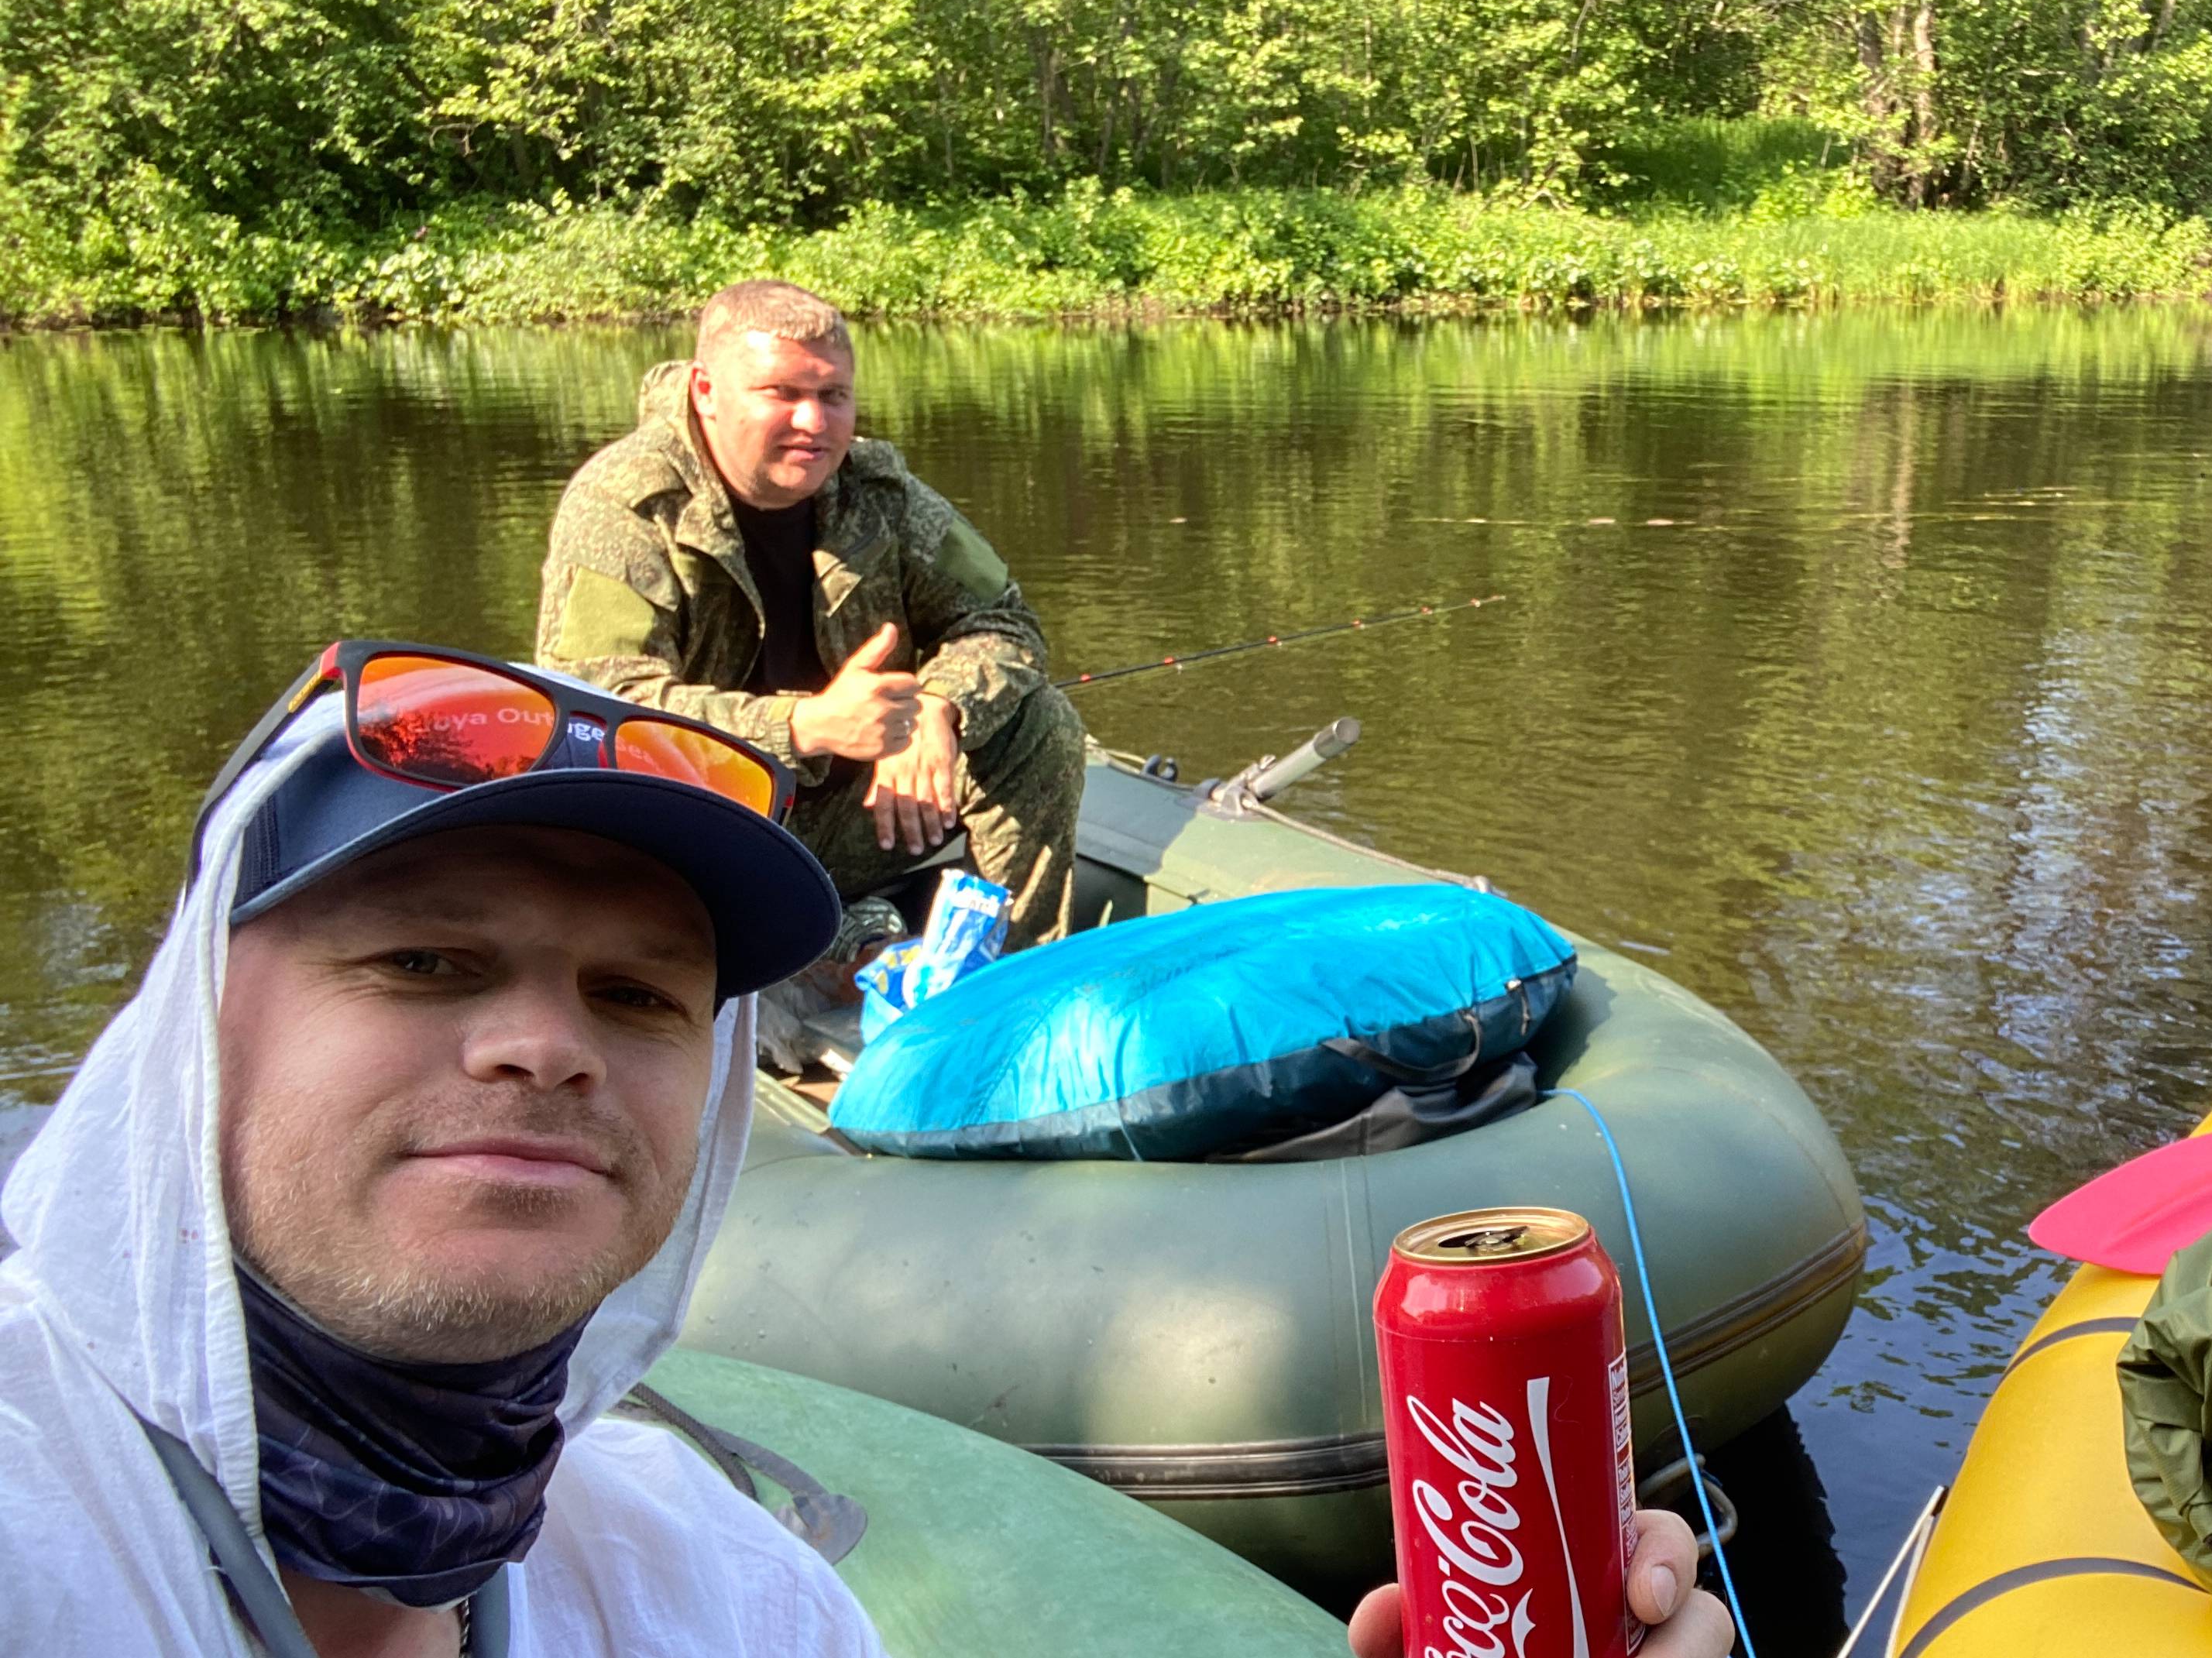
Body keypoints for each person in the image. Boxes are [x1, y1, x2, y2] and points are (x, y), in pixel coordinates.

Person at [0, 640, 1730, 1657]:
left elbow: (990, 628)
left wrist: (934, 702)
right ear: (195, 1024)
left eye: (640, 994)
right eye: (426, 963)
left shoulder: (714, 1587)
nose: (547, 1043)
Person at [534, 278, 1085, 957]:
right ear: (706, 391)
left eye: (833, 396)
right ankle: (802, 945)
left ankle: (1006, 974)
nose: (814, 422)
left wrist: (937, 706)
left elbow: (1005, 621)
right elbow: (594, 711)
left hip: (849, 817)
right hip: (694, 833)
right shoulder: (627, 504)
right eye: (783, 393)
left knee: (1039, 723)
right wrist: (804, 726)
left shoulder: (876, 493)